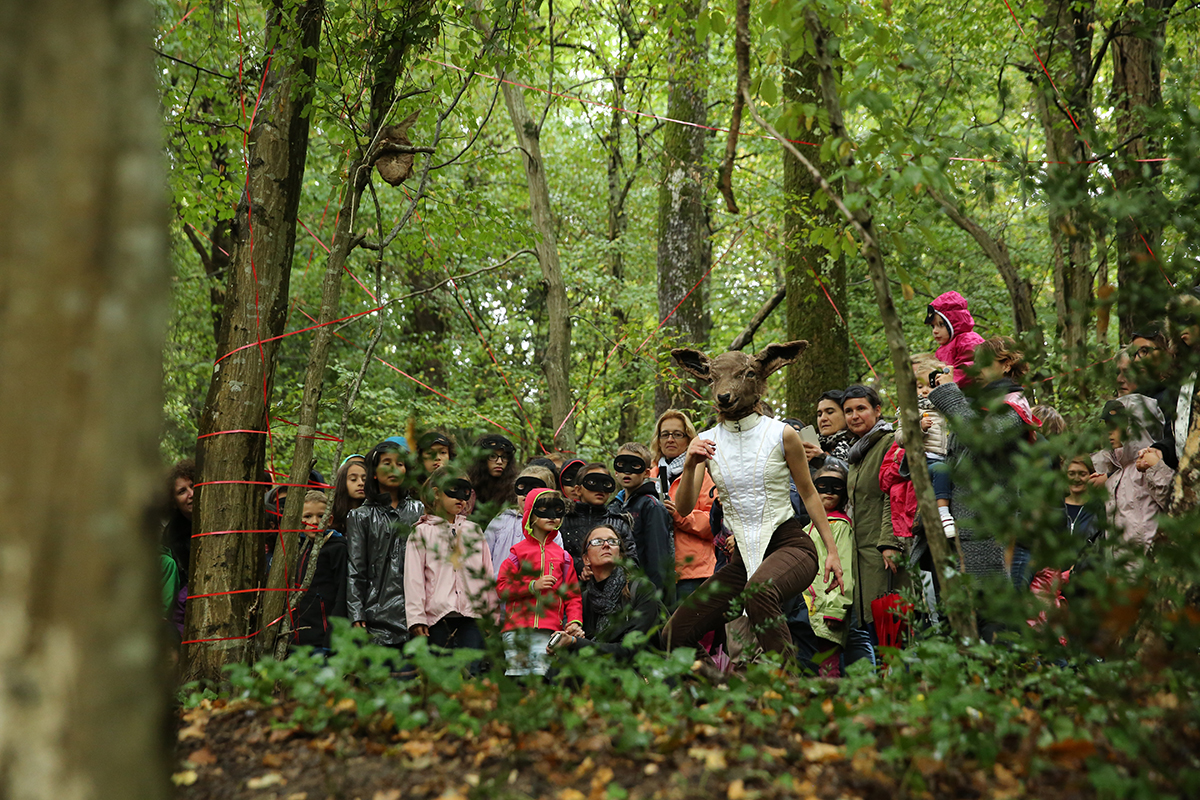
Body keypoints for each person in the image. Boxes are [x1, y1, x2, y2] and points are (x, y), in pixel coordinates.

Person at [929, 336, 1041, 596]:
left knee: (985, 617)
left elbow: (981, 438)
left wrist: (949, 394)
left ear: (1006, 364)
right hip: (962, 528)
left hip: (983, 530)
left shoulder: (1013, 408)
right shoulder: (982, 404)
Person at [405, 469, 495, 668]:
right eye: (453, 490)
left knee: (472, 672)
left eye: (466, 493)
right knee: (442, 673)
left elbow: (486, 574)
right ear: (436, 493)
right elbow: (414, 579)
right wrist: (416, 617)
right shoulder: (421, 532)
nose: (460, 499)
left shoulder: (473, 531)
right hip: (437, 617)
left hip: (473, 616)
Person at [345, 438, 424, 649]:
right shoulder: (360, 516)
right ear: (374, 471)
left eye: (400, 464)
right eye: (387, 463)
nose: (394, 469)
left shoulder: (419, 510)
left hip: (416, 613)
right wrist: (356, 613)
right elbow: (355, 568)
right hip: (374, 614)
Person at [496, 489, 583, 677]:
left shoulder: (563, 557)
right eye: (543, 509)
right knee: (518, 679)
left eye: (558, 510)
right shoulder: (517, 553)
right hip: (517, 629)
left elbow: (573, 595)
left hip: (550, 632)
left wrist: (575, 621)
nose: (552, 516)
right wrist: (531, 586)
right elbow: (502, 587)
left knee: (544, 681)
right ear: (530, 513)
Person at [547, 524, 666, 660]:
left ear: (620, 556)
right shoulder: (585, 599)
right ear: (586, 559)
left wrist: (576, 642)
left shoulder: (641, 589)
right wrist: (572, 637)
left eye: (612, 541)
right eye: (597, 542)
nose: (606, 545)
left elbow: (631, 650)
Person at [842, 385, 897, 665]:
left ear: (877, 410)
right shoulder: (857, 453)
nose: (854, 416)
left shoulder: (888, 442)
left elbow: (893, 494)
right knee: (869, 625)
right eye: (848, 411)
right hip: (860, 552)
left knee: (891, 622)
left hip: (883, 548)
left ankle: (903, 689)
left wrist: (889, 542)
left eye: (861, 408)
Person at [789, 464, 855, 677]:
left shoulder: (841, 526)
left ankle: (832, 706)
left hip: (826, 612)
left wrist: (836, 610)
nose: (828, 492)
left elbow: (844, 569)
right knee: (805, 667)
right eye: (822, 486)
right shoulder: (807, 527)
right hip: (805, 611)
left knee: (828, 667)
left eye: (836, 487)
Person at [1093, 395, 1173, 556]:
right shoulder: (1115, 474)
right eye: (1107, 425)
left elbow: (1173, 503)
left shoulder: (1149, 464)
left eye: (1115, 425)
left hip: (1148, 567)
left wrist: (1155, 468)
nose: (1109, 432)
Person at [651, 410, 716, 603]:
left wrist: (680, 516)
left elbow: (713, 522)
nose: (670, 439)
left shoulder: (702, 473)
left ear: (689, 439)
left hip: (694, 572)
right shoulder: (651, 474)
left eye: (677, 434)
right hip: (658, 573)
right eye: (665, 434)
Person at [897, 355, 955, 538]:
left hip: (947, 456)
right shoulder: (911, 410)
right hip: (926, 459)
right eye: (919, 386)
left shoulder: (945, 408)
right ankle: (944, 514)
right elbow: (899, 437)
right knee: (941, 469)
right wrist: (918, 429)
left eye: (929, 386)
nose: (924, 391)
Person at [610, 442, 676, 603]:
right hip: (617, 589)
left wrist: (654, 597)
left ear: (646, 473)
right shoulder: (613, 506)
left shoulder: (651, 506)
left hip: (644, 591)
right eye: (621, 464)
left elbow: (658, 555)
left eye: (634, 465)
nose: (627, 471)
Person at [292, 491, 348, 654]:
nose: (314, 522)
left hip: (323, 640)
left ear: (329, 520)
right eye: (308, 516)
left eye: (320, 516)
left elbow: (342, 594)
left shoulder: (338, 549)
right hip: (297, 639)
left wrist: (332, 637)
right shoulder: (300, 548)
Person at [484, 464, 563, 575]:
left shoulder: (551, 529)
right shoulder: (500, 522)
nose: (527, 493)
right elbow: (483, 557)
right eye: (522, 486)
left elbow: (557, 564)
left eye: (535, 488)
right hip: (497, 588)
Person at [559, 464, 634, 571]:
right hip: (570, 584)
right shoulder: (562, 521)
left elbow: (631, 562)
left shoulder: (619, 523)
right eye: (592, 482)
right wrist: (580, 568)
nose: (600, 489)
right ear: (578, 490)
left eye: (606, 483)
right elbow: (553, 556)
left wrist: (606, 573)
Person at [161, 459, 194, 637]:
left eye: (193, 485)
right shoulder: (173, 535)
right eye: (182, 491)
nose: (191, 493)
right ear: (173, 501)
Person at [925, 290, 986, 386]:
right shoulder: (941, 349)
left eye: (941, 325)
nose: (935, 331)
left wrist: (946, 380)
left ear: (954, 323)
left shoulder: (968, 341)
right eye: (933, 326)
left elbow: (969, 370)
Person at [466, 434, 519, 521]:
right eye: (492, 456)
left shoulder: (513, 488)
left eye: (504, 457)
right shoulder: (469, 483)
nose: (499, 462)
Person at [807, 390, 854, 464]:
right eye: (819, 414)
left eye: (830, 412)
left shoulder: (858, 445)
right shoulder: (814, 447)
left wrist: (823, 458)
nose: (823, 418)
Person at [329, 455, 367, 533]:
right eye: (353, 479)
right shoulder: (329, 515)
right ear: (342, 482)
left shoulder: (377, 515)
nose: (361, 483)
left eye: (364, 479)